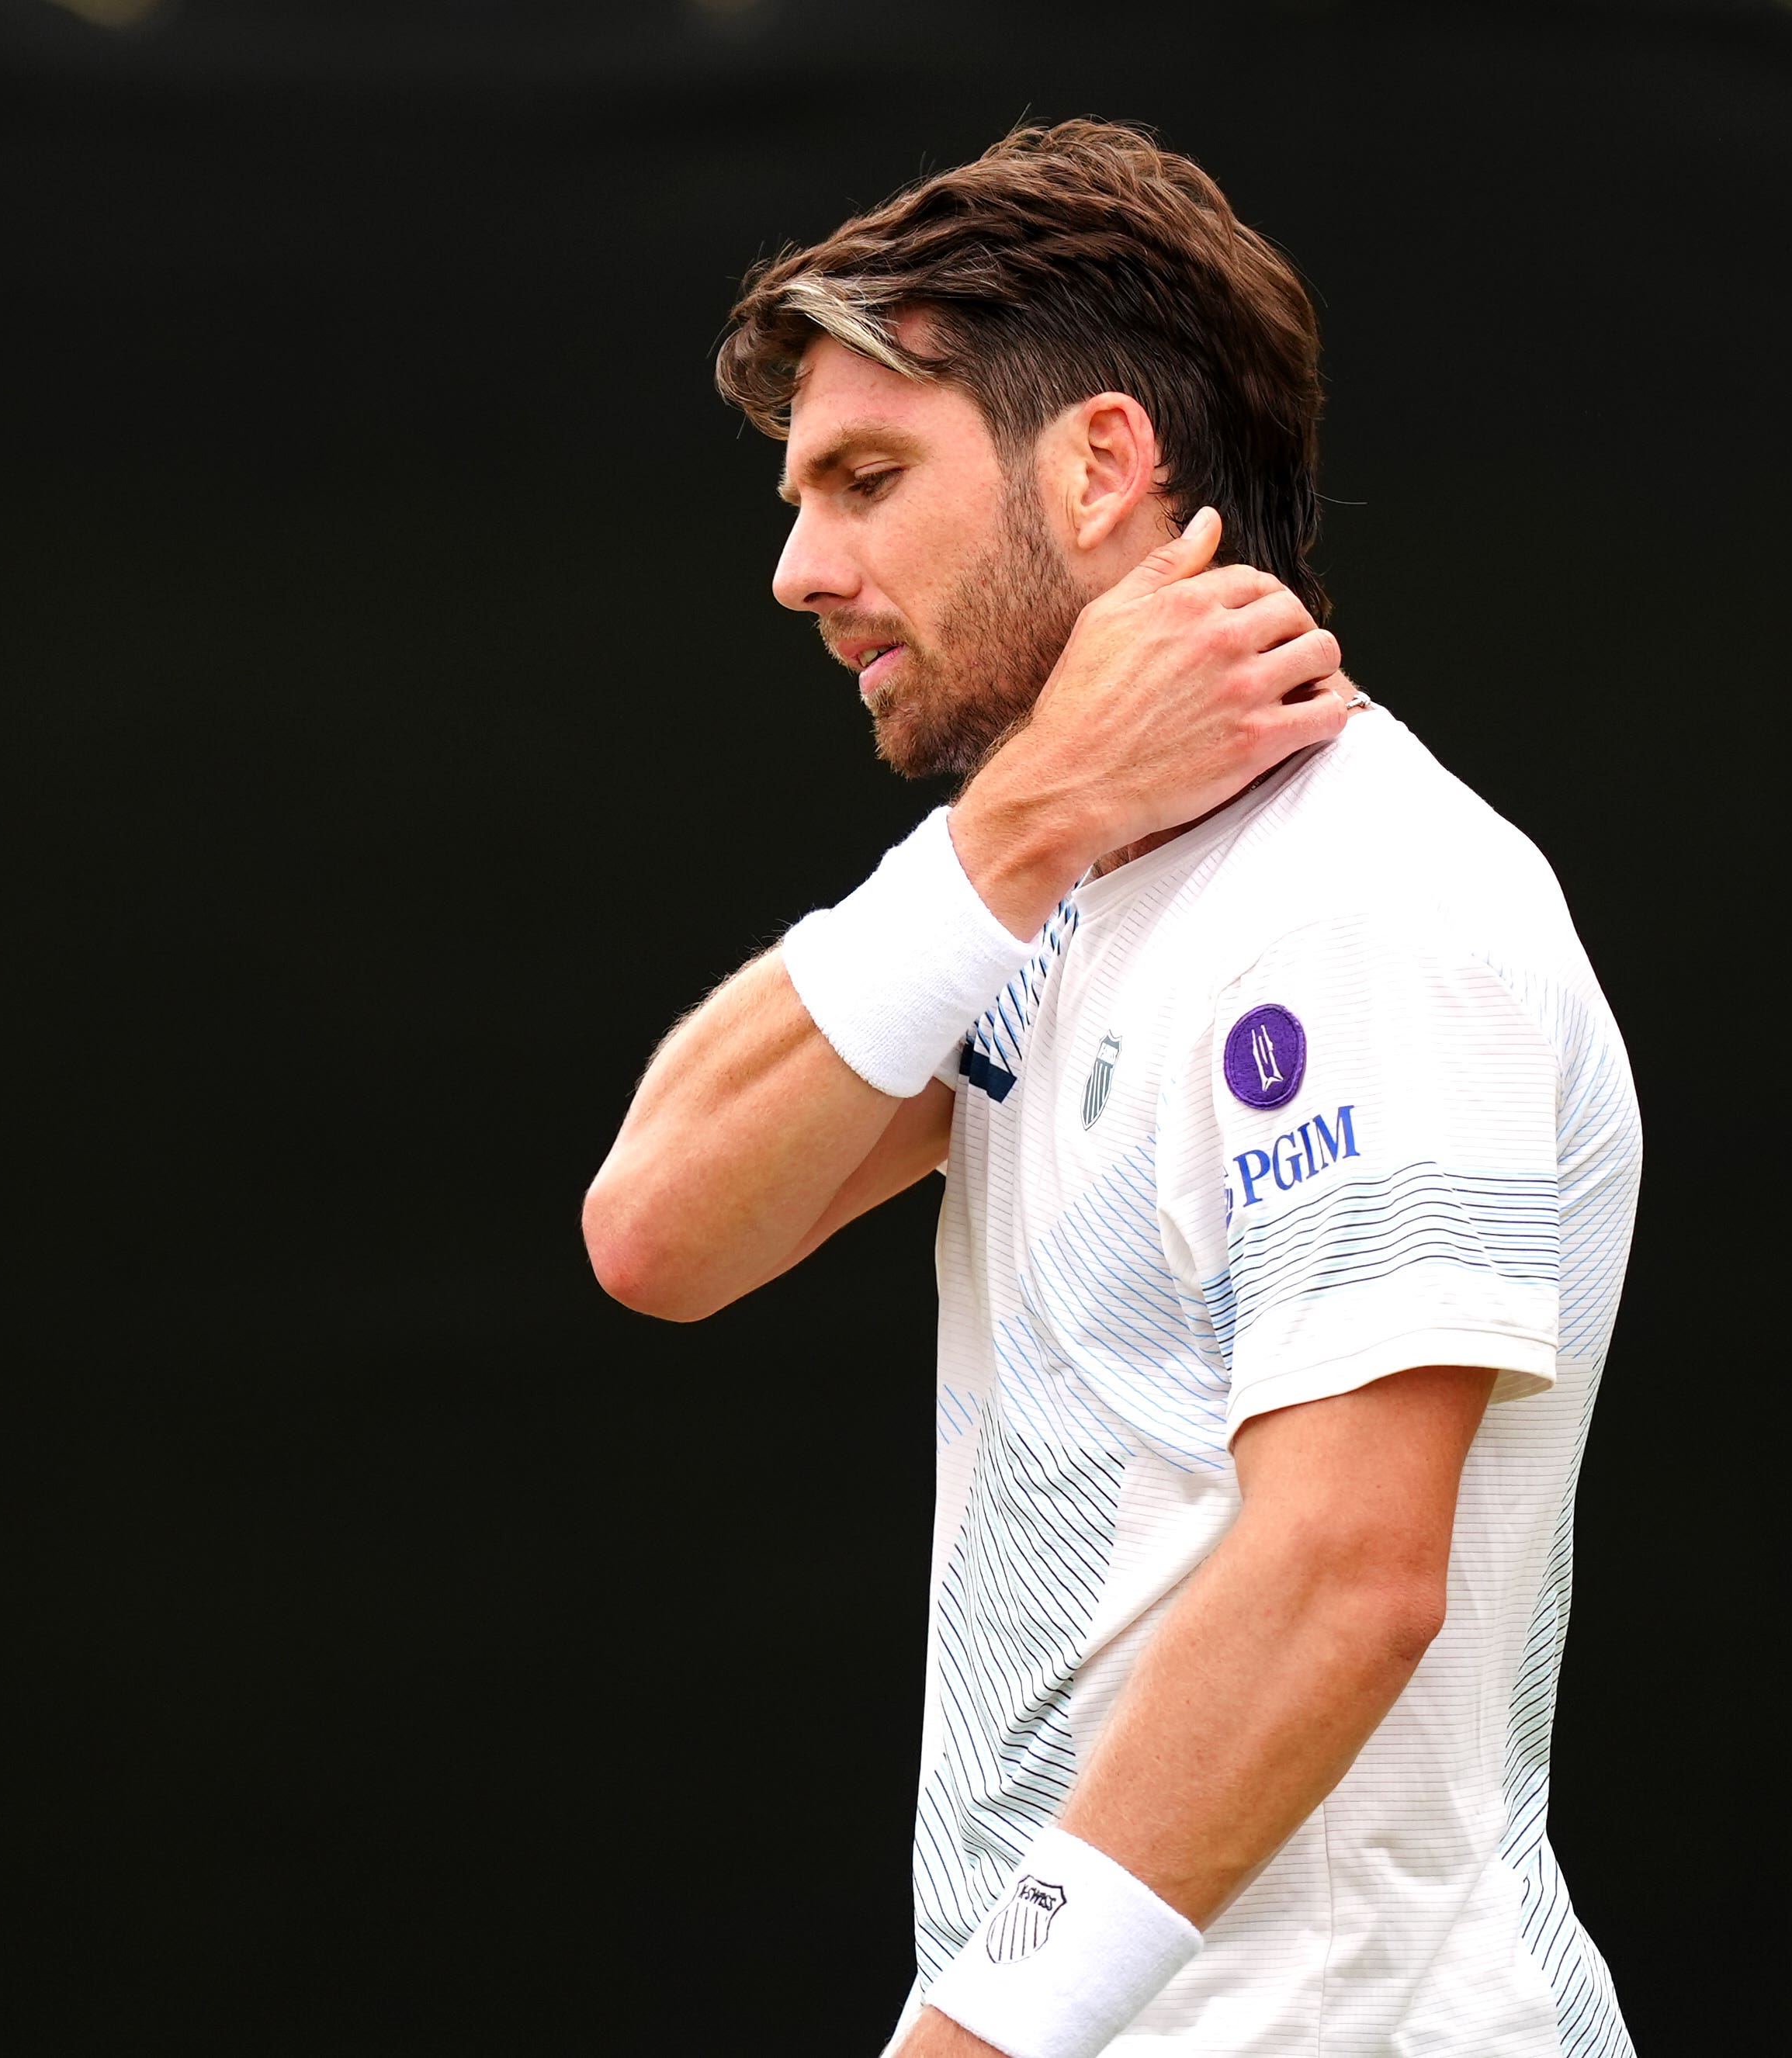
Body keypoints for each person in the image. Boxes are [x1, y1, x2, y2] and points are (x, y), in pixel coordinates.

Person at [584, 121, 1642, 2058]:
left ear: (1097, 468)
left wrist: (975, 2040)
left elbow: (1348, 1575)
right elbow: (660, 1224)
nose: (799, 567)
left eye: (868, 479)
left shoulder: (1370, 900)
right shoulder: (1054, 872)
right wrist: (1029, 824)